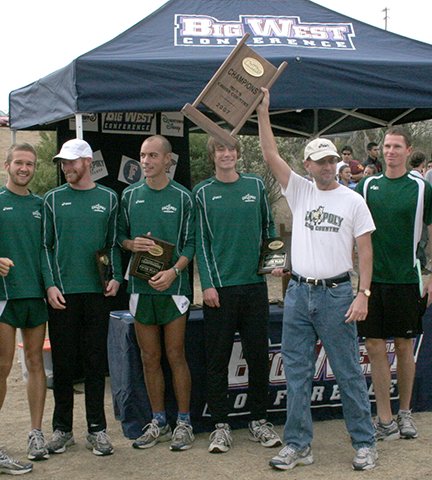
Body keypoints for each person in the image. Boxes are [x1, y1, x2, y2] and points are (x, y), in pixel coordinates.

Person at [257, 88, 377, 471]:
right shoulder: (300, 191)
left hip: (338, 295)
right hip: (298, 293)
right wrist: (263, 113)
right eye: (320, 162)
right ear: (307, 165)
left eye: (331, 161)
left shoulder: (353, 200)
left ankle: (364, 443)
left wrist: (364, 293)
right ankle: (298, 445)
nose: (327, 167)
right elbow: (270, 155)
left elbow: (365, 250)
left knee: (347, 373)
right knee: (296, 374)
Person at [193, 136, 281, 454]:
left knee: (258, 358)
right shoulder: (201, 192)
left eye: (231, 149)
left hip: (255, 288)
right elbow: (200, 242)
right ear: (213, 155)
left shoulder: (256, 186)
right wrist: (208, 284)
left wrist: (273, 262)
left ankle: (259, 420)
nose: (226, 154)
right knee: (217, 361)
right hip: (220, 291)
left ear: (238, 154)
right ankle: (220, 426)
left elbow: (270, 228)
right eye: (220, 149)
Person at [42, 138, 122, 457]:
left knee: (94, 364)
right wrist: (50, 284)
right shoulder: (51, 199)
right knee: (63, 365)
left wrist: (115, 277)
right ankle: (62, 430)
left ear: (88, 162)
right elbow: (44, 246)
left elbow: (114, 243)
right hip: (62, 295)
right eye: (63, 162)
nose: (66, 167)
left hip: (97, 294)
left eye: (72, 162)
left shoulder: (109, 198)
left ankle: (97, 430)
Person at [118, 135, 196, 452]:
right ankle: (159, 420)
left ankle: (185, 422)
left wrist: (173, 272)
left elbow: (191, 244)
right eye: (142, 155)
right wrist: (130, 244)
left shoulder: (183, 197)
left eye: (153, 155)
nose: (146, 161)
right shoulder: (129, 195)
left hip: (173, 288)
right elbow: (119, 237)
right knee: (150, 358)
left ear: (168, 160)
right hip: (140, 288)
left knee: (175, 355)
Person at [356, 127, 432, 441]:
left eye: (397, 146)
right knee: (374, 346)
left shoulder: (421, 187)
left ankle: (405, 414)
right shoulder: (367, 185)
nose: (390, 151)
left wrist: (431, 275)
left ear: (408, 149)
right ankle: (384, 418)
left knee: (404, 346)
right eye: (386, 146)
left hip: (406, 279)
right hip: (372, 282)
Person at [0, 144, 48, 475]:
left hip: (36, 296)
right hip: (4, 297)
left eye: (29, 164)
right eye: (19, 162)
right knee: (1, 367)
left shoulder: (41, 205)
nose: (24, 168)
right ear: (7, 165)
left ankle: (36, 434)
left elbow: (50, 248)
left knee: (35, 364)